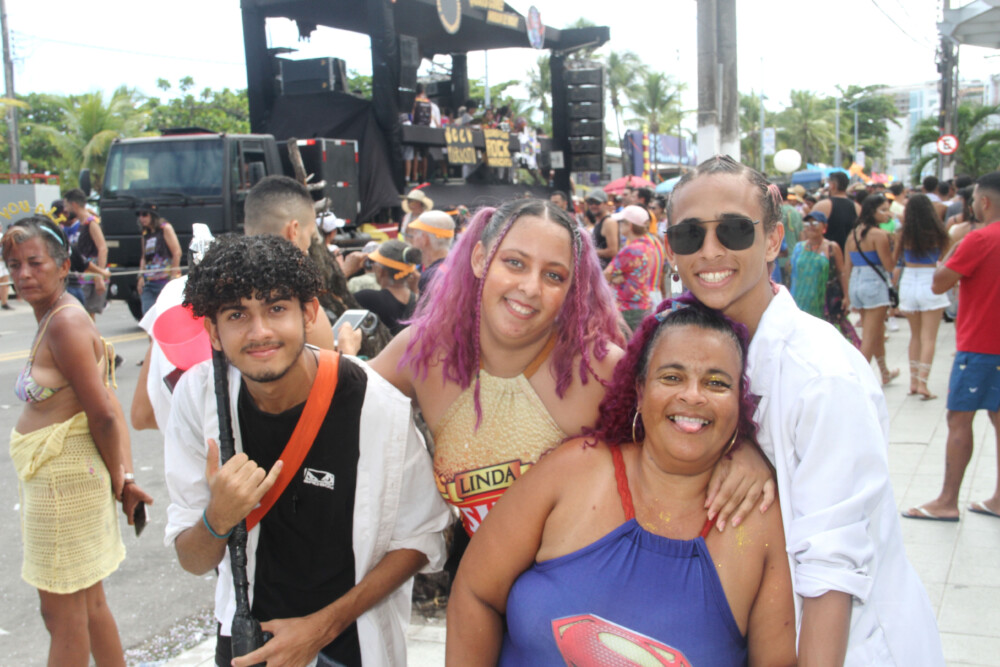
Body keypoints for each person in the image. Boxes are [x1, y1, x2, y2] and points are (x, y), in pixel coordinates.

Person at [663, 155, 943, 664]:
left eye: (734, 229)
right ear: (671, 250)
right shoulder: (678, 345)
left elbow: (833, 570)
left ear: (773, 240)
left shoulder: (821, 377)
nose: (710, 250)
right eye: (689, 234)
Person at [365, 198, 774, 539]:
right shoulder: (423, 353)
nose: (530, 288)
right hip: (476, 588)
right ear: (479, 259)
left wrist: (745, 454)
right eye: (514, 263)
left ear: (571, 289)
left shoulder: (598, 370)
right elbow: (346, 405)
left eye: (553, 275)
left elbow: (689, 423)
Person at [447, 300, 796, 666]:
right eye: (672, 377)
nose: (693, 395)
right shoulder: (573, 470)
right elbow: (475, 593)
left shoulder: (758, 524)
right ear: (640, 391)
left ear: (740, 403)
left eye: (716, 383)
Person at [163, 234, 450, 667]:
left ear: (309, 312)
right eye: (237, 314)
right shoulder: (199, 398)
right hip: (245, 644)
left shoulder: (375, 405)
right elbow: (193, 558)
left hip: (352, 646)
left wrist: (320, 628)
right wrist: (217, 518)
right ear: (213, 332)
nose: (260, 331)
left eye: (276, 308)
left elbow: (422, 537)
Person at [4, 216, 152, 666]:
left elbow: (104, 413)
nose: (23, 274)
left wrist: (120, 479)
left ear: (64, 265)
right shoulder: (59, 315)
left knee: (62, 616)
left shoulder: (64, 324)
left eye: (35, 263)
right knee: (88, 604)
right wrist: (124, 477)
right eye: (13, 265)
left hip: (63, 488)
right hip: (68, 481)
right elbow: (107, 402)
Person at [903, 172, 1000, 523]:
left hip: (980, 344)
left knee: (959, 419)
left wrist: (956, 248)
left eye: (973, 201)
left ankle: (947, 500)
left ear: (984, 202)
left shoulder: (979, 239)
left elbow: (939, 282)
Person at [892, 194, 951, 400]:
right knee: (929, 337)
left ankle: (913, 382)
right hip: (930, 280)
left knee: (915, 336)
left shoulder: (903, 234)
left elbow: (895, 259)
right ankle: (923, 383)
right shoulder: (938, 233)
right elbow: (945, 258)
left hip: (909, 281)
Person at [844, 193, 900, 384]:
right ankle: (858, 381)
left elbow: (847, 267)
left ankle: (884, 372)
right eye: (883, 210)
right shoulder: (879, 235)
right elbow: (889, 265)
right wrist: (897, 245)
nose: (887, 214)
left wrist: (847, 295)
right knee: (869, 336)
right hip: (874, 284)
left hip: (856, 283)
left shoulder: (852, 234)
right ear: (872, 212)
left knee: (875, 332)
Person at [789, 211, 860, 348]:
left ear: (824, 227)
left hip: (823, 302)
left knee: (823, 340)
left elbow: (841, 272)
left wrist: (846, 296)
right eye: (807, 223)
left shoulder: (832, 247)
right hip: (799, 300)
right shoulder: (798, 248)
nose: (811, 226)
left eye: (815, 223)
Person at [354, 239, 421, 335]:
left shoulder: (366, 298)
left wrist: (345, 271)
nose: (373, 266)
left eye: (374, 262)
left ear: (381, 270)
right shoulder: (420, 303)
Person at [605, 204, 655, 332]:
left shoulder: (630, 250)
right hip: (643, 304)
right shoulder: (647, 245)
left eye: (622, 223)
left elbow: (606, 275)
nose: (619, 226)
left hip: (628, 309)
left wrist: (614, 278)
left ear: (630, 226)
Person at [63, 188, 109, 318]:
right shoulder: (81, 223)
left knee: (87, 316)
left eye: (66, 206)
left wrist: (99, 275)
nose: (65, 210)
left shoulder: (91, 222)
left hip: (90, 275)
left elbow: (102, 248)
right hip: (81, 274)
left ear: (74, 205)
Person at [136, 201, 182, 315]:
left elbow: (177, 252)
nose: (141, 218)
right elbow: (143, 257)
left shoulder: (165, 228)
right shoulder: (145, 233)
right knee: (148, 315)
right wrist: (140, 276)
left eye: (145, 214)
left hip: (165, 281)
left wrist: (173, 277)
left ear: (153, 215)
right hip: (149, 282)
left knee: (166, 315)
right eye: (139, 215)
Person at [403, 210, 455, 296]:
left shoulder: (430, 278)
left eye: (415, 233)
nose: (412, 239)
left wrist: (414, 290)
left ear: (424, 239)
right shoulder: (456, 265)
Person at [811, 171, 860, 251]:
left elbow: (810, 231)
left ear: (832, 185)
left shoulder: (822, 206)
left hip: (826, 254)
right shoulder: (857, 207)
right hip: (850, 254)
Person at [585, 188, 618, 268]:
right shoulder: (598, 222)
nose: (593, 205)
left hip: (607, 271)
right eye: (590, 202)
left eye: (597, 202)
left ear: (605, 204)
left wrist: (590, 252)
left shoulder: (609, 222)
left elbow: (613, 251)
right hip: (599, 269)